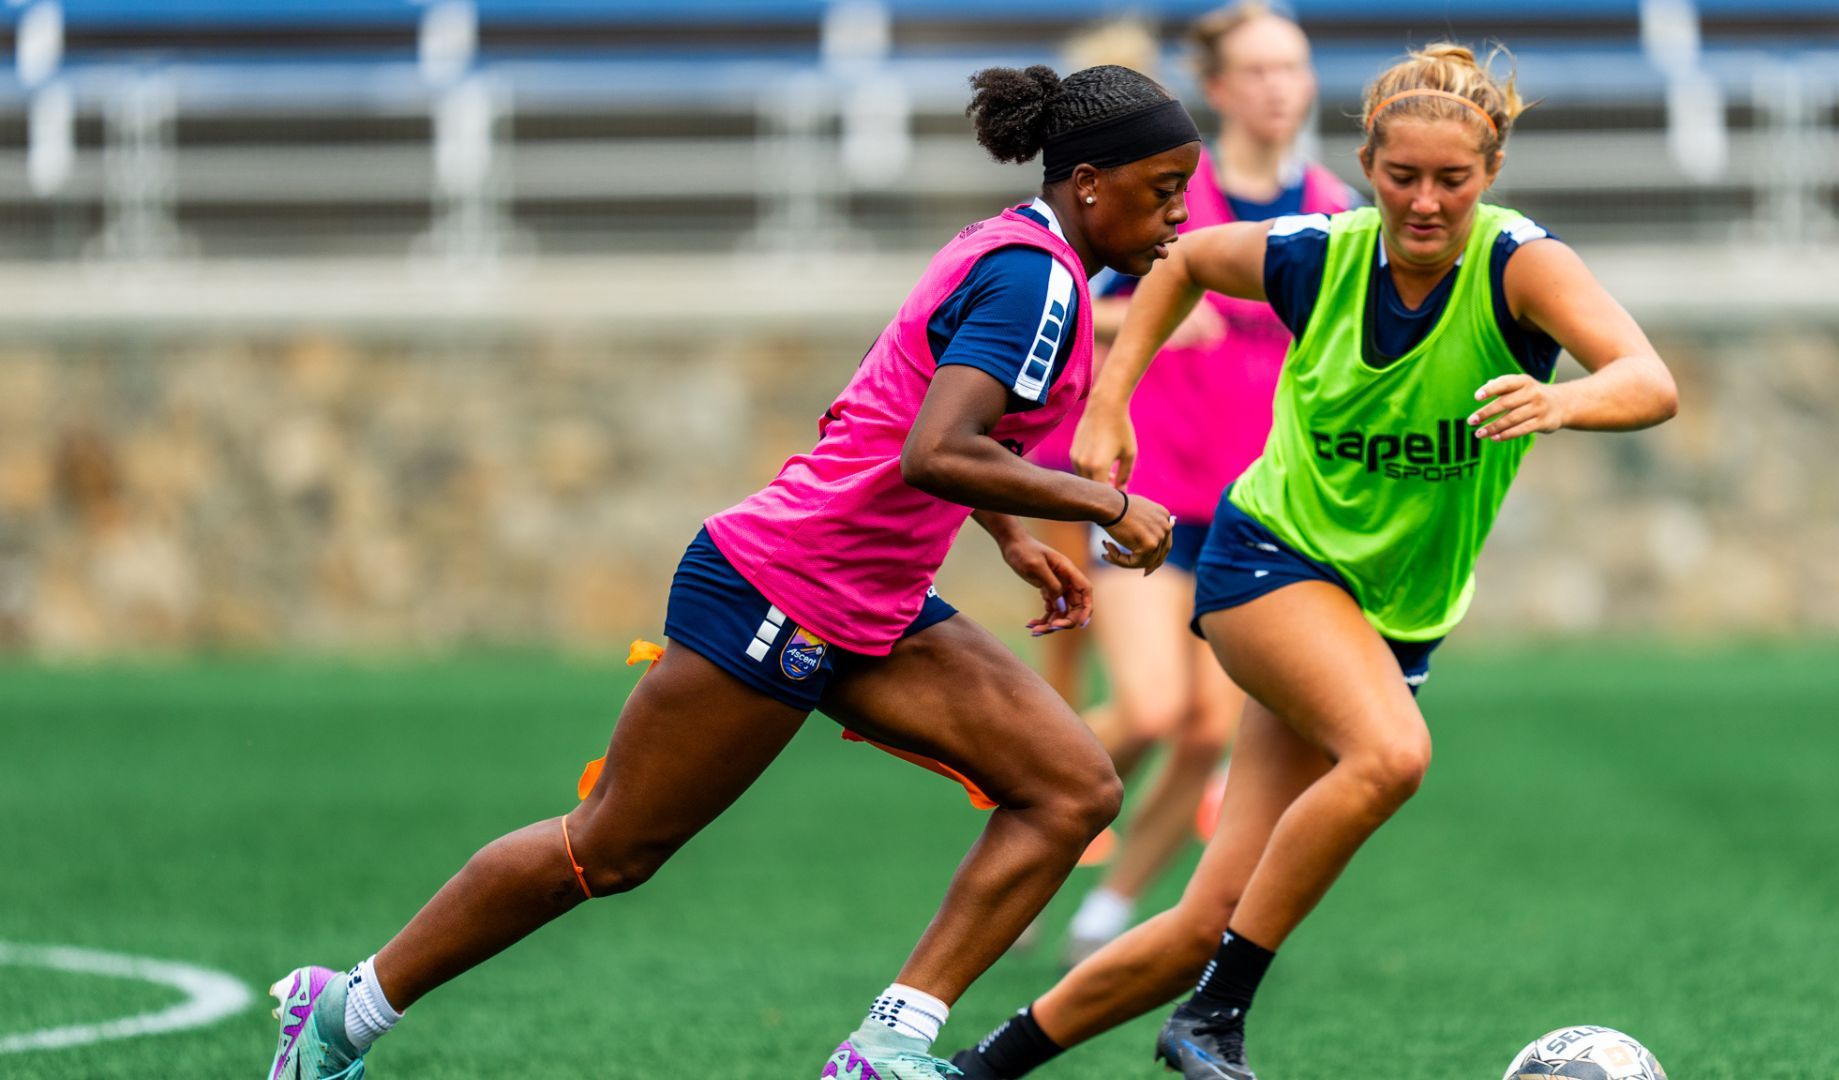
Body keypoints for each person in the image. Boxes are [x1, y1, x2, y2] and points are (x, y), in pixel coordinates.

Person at [264, 63, 1202, 1080]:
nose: (1177, 218)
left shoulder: (1026, 255)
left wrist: (1009, 534)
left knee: (1070, 788)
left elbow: (903, 415)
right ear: (1094, 183)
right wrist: (1102, 504)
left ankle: (886, 1050)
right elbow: (935, 447)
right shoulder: (1038, 280)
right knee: (611, 847)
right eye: (1162, 191)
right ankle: (343, 1010)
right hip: (780, 588)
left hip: (864, 599)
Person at [951, 42, 1678, 1080]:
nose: (1424, 203)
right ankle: (1218, 1018)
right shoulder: (1318, 252)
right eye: (1402, 177)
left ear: (1493, 173)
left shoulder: (1524, 267)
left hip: (1392, 609)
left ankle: (976, 1068)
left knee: (1209, 914)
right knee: (1391, 756)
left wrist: (1563, 398)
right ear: (1369, 167)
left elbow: (1650, 380)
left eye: (1452, 181)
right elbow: (1192, 260)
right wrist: (1109, 402)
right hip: (1271, 561)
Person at [1060, 0, 1362, 969]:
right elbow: (1066, 305)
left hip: (1257, 517)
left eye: (1294, 67)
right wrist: (1134, 325)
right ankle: (1032, 809)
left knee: (1201, 734)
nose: (1281, 87)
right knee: (1150, 710)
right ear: (1220, 90)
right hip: (1148, 497)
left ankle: (1108, 907)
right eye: (1260, 70)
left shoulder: (1336, 214)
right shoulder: (1174, 202)